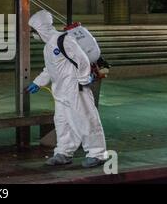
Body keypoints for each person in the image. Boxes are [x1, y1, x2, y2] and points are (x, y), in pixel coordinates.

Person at [27, 10, 107, 168]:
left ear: (41, 29)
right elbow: (50, 69)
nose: (33, 35)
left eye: (34, 31)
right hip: (61, 91)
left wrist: (83, 80)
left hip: (76, 88)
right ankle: (64, 152)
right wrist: (38, 83)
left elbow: (82, 59)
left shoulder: (63, 40)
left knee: (85, 119)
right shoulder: (48, 47)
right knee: (62, 122)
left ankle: (97, 153)